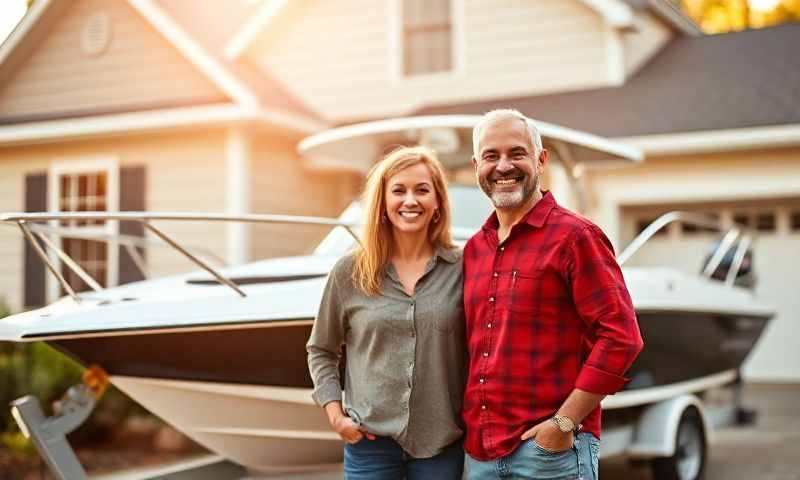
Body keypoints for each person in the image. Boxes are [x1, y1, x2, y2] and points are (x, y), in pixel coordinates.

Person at [462, 109, 644, 479]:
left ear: (541, 160)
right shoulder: (474, 249)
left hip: (549, 455)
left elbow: (621, 337)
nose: (503, 166)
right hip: (479, 455)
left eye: (517, 153)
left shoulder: (576, 238)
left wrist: (562, 423)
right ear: (476, 165)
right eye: (491, 156)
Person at [307, 146, 466, 480]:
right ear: (382, 202)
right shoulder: (349, 272)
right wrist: (335, 414)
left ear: (437, 202)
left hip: (440, 443)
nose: (411, 200)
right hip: (369, 442)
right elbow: (321, 349)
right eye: (399, 190)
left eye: (422, 190)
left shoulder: (462, 268)